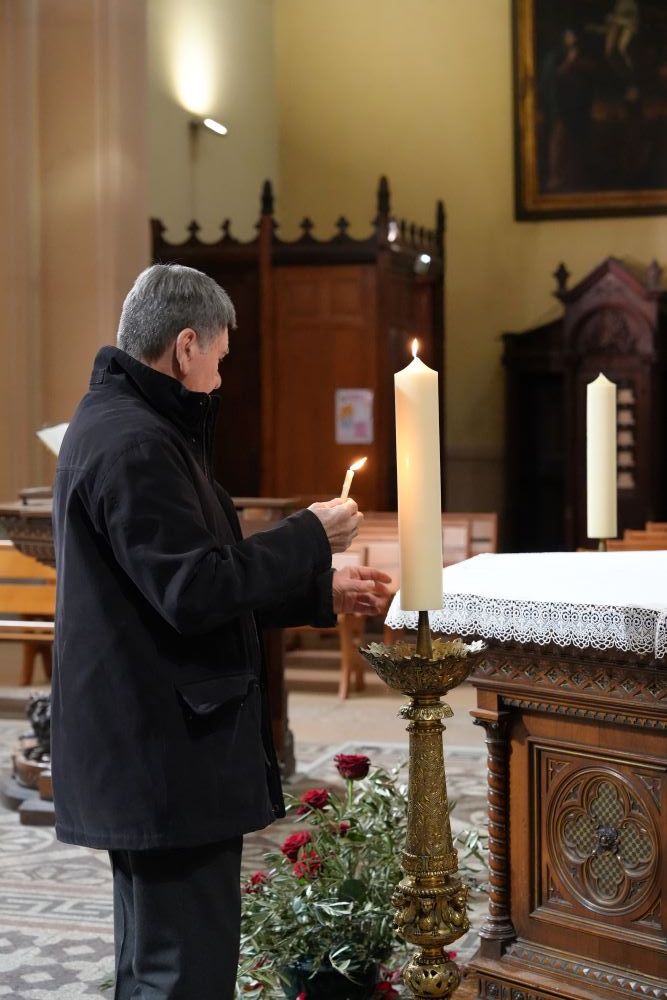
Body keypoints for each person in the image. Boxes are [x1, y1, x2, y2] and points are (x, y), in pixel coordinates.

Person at [51, 263, 391, 999]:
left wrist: (318, 587)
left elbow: (185, 580)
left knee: (157, 964)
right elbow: (193, 590)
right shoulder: (136, 443)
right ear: (185, 347)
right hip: (165, 752)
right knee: (182, 972)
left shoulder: (127, 426)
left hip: (154, 746)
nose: (220, 378)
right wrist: (308, 536)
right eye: (219, 357)